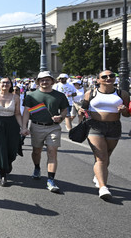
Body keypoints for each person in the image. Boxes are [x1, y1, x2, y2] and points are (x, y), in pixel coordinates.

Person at [80, 70, 130, 200]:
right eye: (105, 76)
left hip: (114, 127)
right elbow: (83, 109)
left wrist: (124, 110)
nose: (109, 78)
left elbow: (127, 114)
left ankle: (98, 176)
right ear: (98, 80)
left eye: (111, 76)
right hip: (95, 127)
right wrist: (81, 111)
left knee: (106, 156)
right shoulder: (90, 93)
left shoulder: (122, 94)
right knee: (101, 157)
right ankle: (103, 188)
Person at [21, 71, 69, 193]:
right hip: (37, 127)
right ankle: (37, 167)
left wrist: (61, 117)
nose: (44, 82)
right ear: (38, 82)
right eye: (42, 80)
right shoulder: (31, 96)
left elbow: (64, 110)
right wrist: (24, 127)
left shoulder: (59, 95)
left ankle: (51, 180)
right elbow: (26, 112)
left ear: (52, 81)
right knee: (36, 151)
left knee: (52, 152)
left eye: (47, 79)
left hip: (53, 127)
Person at [0, 77, 24, 186]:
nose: (5, 84)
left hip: (12, 124)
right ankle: (3, 176)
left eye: (7, 83)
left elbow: (17, 113)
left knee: (12, 149)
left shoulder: (15, 97)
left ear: (11, 85)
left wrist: (23, 127)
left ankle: (9, 162)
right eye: (2, 83)